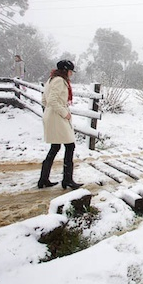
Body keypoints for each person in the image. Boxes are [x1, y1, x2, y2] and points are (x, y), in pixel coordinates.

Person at [38, 60, 83, 189]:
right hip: (57, 118)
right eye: (70, 71)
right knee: (70, 146)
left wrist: (50, 111)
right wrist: (64, 113)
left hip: (52, 116)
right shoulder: (59, 81)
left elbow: (44, 100)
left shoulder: (51, 79)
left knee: (55, 147)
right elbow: (52, 100)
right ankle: (67, 179)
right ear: (65, 70)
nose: (71, 74)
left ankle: (44, 179)